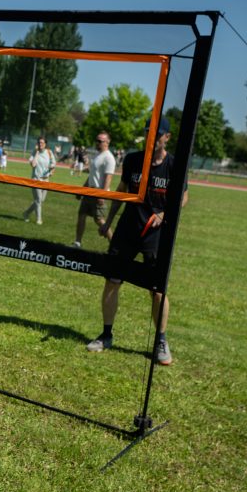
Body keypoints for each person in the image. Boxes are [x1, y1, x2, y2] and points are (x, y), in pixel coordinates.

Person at [86, 117, 187, 366]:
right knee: (112, 281)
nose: (153, 138)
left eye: (158, 134)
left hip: (156, 234)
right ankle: (106, 335)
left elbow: (183, 197)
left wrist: (164, 214)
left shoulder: (174, 165)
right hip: (127, 231)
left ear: (167, 137)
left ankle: (160, 341)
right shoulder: (133, 160)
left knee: (157, 290)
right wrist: (109, 222)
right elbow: (122, 191)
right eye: (149, 133)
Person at [73, 131, 117, 247]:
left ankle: (114, 245)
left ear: (107, 142)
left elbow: (108, 178)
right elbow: (92, 176)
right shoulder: (97, 155)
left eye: (100, 141)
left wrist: (102, 195)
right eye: (96, 140)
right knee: (81, 215)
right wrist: (82, 189)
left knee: (100, 220)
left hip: (98, 193)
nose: (97, 143)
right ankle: (77, 242)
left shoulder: (109, 158)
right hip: (89, 191)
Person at [22, 137, 56, 224]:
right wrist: (36, 152)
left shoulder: (49, 152)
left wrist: (51, 171)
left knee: (41, 200)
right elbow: (33, 164)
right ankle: (39, 219)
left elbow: (53, 165)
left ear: (45, 144)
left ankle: (26, 213)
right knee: (38, 200)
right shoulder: (34, 152)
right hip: (36, 179)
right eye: (39, 142)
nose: (40, 144)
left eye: (42, 142)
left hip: (46, 180)